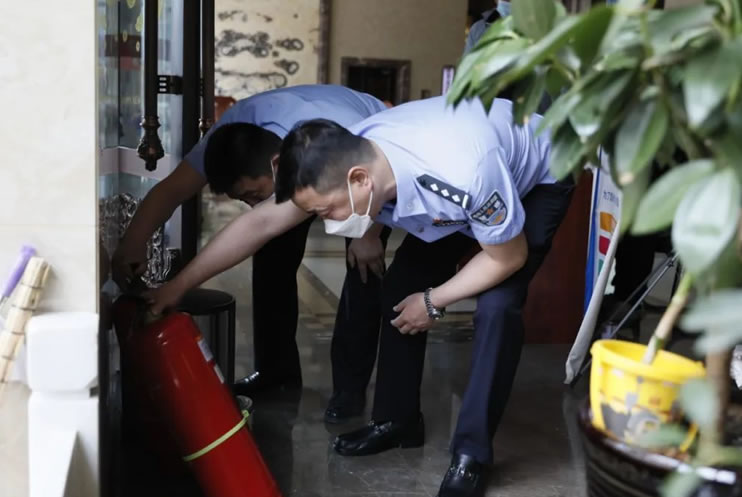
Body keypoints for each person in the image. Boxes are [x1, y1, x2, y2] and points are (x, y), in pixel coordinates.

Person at [272, 96, 574, 497]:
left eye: (328, 212)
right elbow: (262, 223)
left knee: (497, 308)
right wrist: (368, 233)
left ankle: (471, 454)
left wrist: (434, 301)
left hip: (539, 175)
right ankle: (398, 421)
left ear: (360, 180)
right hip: (469, 177)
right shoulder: (355, 149)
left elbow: (508, 257)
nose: (328, 224)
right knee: (401, 285)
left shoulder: (462, 173)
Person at [115, 85, 389, 420]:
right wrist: (132, 244)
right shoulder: (230, 136)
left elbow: (383, 166)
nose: (252, 205)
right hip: (304, 162)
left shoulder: (340, 133)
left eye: (255, 193)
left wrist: (369, 232)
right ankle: (276, 374)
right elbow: (172, 190)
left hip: (370, 167)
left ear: (277, 166)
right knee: (271, 260)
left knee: (362, 268)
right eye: (243, 199)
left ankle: (349, 390)